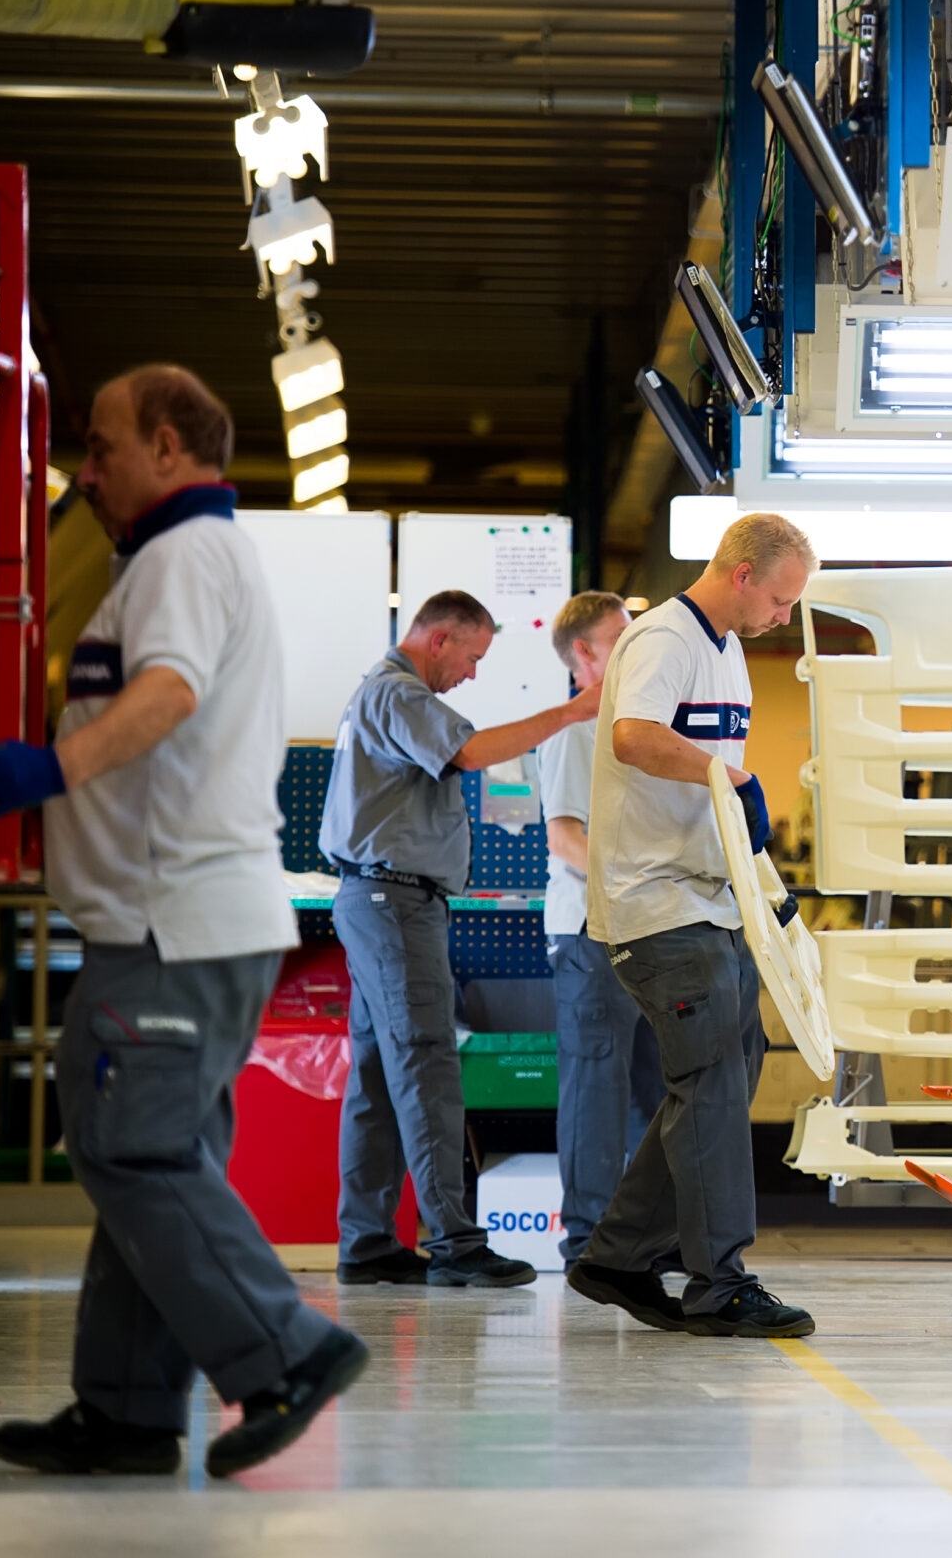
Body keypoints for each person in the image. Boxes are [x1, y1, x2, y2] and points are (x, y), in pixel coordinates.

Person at [0, 365, 366, 1479]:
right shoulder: (170, 558)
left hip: (168, 923)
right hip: (179, 918)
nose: (86, 472)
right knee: (146, 1153)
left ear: (173, 446)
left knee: (131, 1148)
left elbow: (170, 694)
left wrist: (50, 770)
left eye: (103, 446)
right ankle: (131, 1412)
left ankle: (287, 1350)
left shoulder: (185, 555)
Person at [566, 513, 818, 1339]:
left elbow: (706, 783)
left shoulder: (729, 652)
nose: (784, 617)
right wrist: (726, 772)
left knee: (730, 1068)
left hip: (709, 898)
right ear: (743, 574)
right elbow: (636, 736)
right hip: (655, 902)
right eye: (781, 599)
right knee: (709, 1078)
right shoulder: (664, 638)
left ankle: (620, 1254)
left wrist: (761, 879)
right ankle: (719, 1285)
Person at [321, 589, 601, 1288]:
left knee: (382, 1077)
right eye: (473, 657)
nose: (472, 673)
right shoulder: (398, 691)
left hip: (378, 899)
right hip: (394, 903)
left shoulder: (380, 695)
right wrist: (570, 712)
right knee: (426, 1064)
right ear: (439, 638)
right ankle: (453, 1242)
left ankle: (367, 1241)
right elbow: (470, 752)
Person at [537, 590, 660, 1267]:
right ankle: (587, 1240)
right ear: (585, 652)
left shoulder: (632, 724)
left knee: (651, 1087)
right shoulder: (571, 729)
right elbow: (564, 837)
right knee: (596, 1086)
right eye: (623, 637)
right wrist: (633, 885)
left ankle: (640, 1237)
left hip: (642, 927)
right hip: (590, 931)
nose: (638, 646)